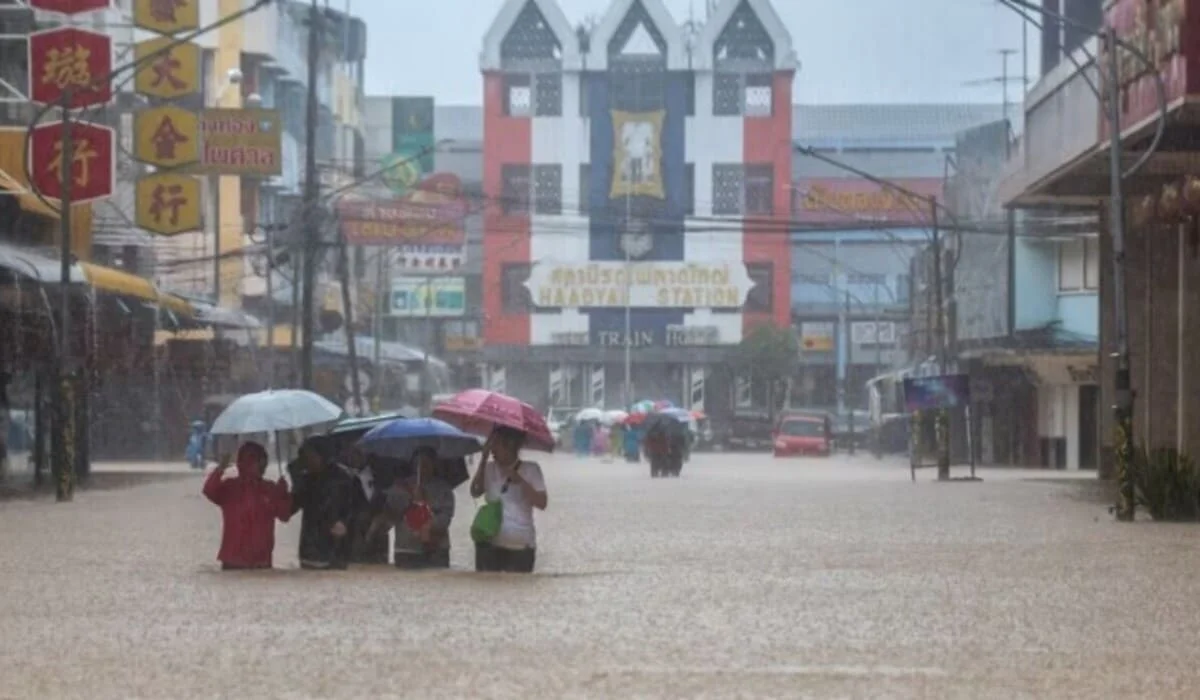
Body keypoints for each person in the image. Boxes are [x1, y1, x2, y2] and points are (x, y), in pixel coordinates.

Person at [202, 442, 291, 570]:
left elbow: (284, 514)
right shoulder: (230, 487)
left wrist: (283, 494)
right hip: (235, 560)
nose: (262, 466)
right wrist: (220, 469)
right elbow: (209, 491)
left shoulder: (270, 488)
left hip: (260, 560)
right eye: (259, 461)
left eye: (264, 461)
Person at [470, 426, 548, 573]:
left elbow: (542, 503)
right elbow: (475, 491)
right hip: (489, 543)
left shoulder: (531, 469)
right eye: (491, 444)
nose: (492, 449)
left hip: (521, 546)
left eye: (496, 444)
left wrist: (521, 481)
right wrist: (483, 459)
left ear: (510, 446)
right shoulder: (489, 468)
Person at [380, 448, 456, 569]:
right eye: (419, 463)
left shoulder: (444, 489)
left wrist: (428, 520)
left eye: (427, 463)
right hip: (406, 549)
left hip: (436, 549)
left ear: (434, 464)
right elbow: (390, 514)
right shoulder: (400, 487)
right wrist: (410, 499)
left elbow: (446, 517)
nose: (423, 467)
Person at [288, 435, 355, 570]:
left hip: (336, 548)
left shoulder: (343, 478)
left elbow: (353, 506)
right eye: (306, 457)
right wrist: (294, 482)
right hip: (310, 549)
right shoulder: (306, 479)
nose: (309, 460)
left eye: (312, 456)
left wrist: (344, 522)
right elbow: (291, 509)